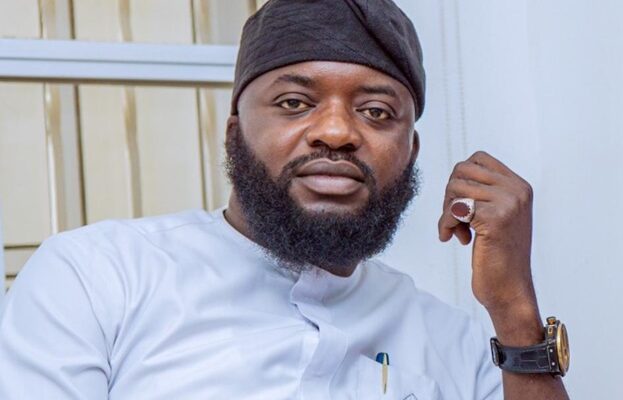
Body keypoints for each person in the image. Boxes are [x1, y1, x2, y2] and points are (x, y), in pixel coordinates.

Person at [0, 1, 570, 399]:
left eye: (376, 112)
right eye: (295, 103)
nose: (336, 133)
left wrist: (514, 309)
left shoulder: (457, 343)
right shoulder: (96, 278)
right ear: (234, 132)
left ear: (410, 151)